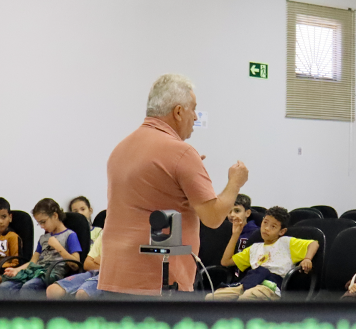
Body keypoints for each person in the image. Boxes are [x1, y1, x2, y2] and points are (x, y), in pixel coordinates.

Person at [99, 74, 248, 296]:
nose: (195, 116)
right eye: (193, 109)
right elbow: (214, 217)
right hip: (158, 282)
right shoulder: (181, 152)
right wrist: (235, 183)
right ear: (178, 112)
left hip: (113, 277)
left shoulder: (120, 148)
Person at [209, 206, 317, 301]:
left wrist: (307, 259)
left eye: (273, 226)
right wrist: (236, 234)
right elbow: (225, 262)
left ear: (281, 231)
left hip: (270, 287)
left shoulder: (286, 242)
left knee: (246, 298)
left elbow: (314, 244)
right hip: (250, 283)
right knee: (212, 298)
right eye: (265, 223)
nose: (266, 228)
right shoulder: (254, 248)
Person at [0, 198, 82, 296]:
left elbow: (76, 264)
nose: (42, 226)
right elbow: (33, 261)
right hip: (36, 271)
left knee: (29, 287)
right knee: (4, 287)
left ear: (55, 215)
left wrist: (58, 247)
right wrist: (17, 270)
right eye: (39, 223)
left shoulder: (70, 235)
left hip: (52, 273)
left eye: (43, 222)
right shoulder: (43, 238)